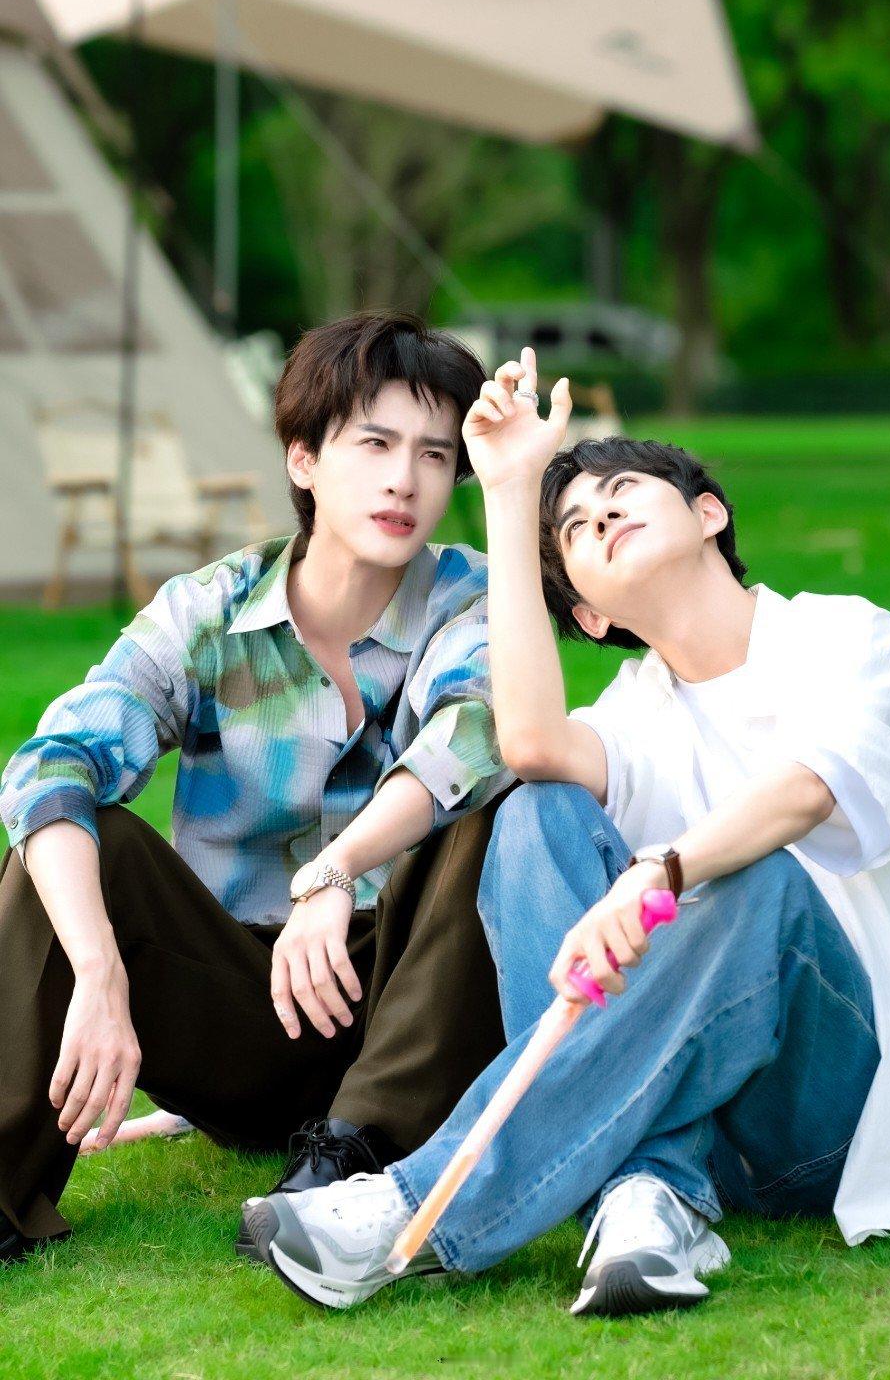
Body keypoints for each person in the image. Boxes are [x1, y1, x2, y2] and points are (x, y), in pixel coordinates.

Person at [246, 347, 890, 1317]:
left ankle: (411, 1209)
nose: (602, 515)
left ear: (709, 514)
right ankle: (647, 1196)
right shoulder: (638, 713)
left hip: (854, 1107)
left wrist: (662, 868)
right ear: (585, 612)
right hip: (721, 1120)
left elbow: (808, 792)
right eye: (576, 525)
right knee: (534, 810)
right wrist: (509, 492)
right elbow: (530, 744)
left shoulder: (844, 636)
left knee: (760, 882)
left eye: (624, 492)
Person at [0, 312, 513, 1266]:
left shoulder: (473, 597)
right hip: (242, 1008)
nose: (405, 480)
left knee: (492, 812)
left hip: (409, 1001)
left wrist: (334, 872)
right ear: (304, 459)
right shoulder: (207, 610)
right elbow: (51, 764)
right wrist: (99, 970)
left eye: (435, 455)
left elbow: (475, 735)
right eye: (375, 444)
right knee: (81, 839)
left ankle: (357, 1160)